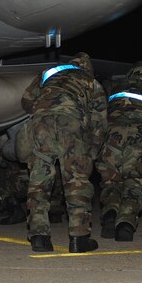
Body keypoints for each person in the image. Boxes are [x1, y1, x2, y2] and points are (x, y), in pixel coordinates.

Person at [16, 52, 108, 253]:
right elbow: (99, 123)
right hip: (71, 124)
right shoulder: (92, 83)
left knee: (39, 180)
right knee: (76, 180)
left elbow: (26, 100)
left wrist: (45, 110)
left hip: (41, 123)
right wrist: (91, 152)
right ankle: (79, 238)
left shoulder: (48, 73)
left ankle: (39, 237)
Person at [95, 62, 142, 242]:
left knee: (110, 180)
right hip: (139, 135)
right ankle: (126, 223)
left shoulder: (115, 89)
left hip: (112, 135)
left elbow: (102, 114)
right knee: (135, 181)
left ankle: (110, 214)